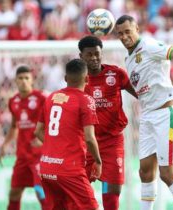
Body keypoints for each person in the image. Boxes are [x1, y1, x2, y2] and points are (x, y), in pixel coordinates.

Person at [115, 15, 173, 210]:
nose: (124, 37)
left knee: (166, 173)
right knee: (145, 172)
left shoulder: (148, 45)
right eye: (120, 34)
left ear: (137, 29)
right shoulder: (128, 58)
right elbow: (141, 88)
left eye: (127, 32)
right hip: (148, 116)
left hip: (166, 114)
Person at [34, 58, 102, 210]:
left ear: (65, 78)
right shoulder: (85, 100)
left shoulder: (51, 97)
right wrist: (98, 161)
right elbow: (90, 138)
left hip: (46, 168)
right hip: (70, 169)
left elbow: (38, 131)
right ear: (87, 78)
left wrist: (55, 147)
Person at [78, 35, 137, 210]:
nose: (94, 58)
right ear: (81, 56)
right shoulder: (78, 80)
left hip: (113, 140)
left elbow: (139, 94)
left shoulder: (116, 74)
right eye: (89, 55)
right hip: (86, 141)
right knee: (79, 189)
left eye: (97, 54)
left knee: (112, 189)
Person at [0, 65, 48, 210]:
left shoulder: (41, 98)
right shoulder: (13, 101)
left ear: (32, 80)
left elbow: (53, 121)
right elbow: (14, 126)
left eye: (27, 78)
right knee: (14, 193)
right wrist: (5, 144)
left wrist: (42, 137)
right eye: (20, 78)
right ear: (16, 81)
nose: (24, 81)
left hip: (40, 156)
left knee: (42, 193)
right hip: (22, 156)